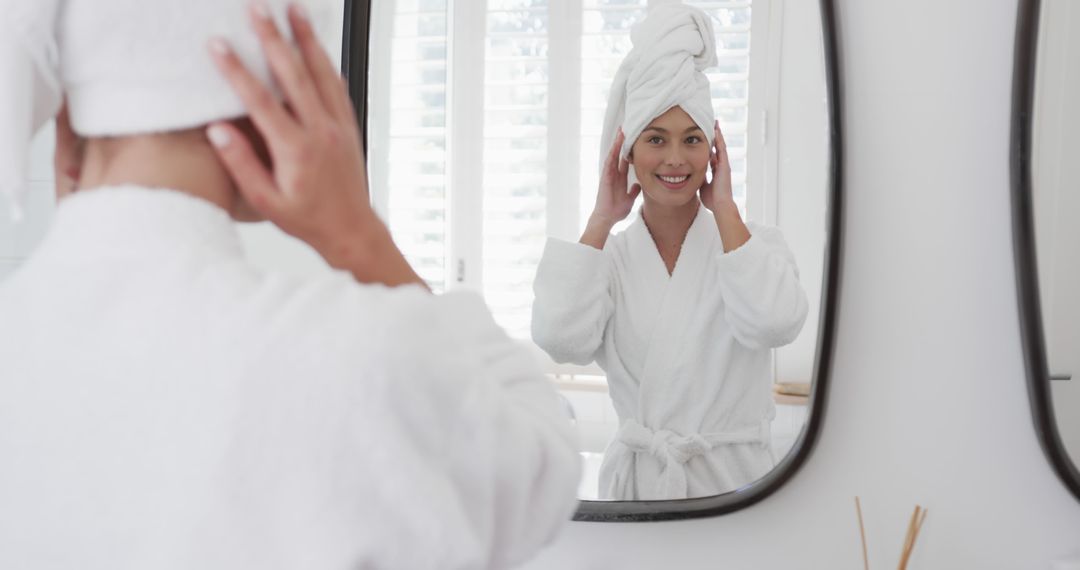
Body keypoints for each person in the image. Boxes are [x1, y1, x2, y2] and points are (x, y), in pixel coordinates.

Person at [0, 1, 580, 568]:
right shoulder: (356, 352)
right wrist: (357, 233)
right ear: (278, 104)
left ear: (71, 115)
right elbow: (541, 476)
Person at [531, 4, 808, 501]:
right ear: (629, 152)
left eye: (692, 139)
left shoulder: (755, 246)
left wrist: (724, 208)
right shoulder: (607, 260)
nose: (676, 158)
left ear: (713, 152)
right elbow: (559, 341)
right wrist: (600, 219)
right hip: (639, 494)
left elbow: (775, 324)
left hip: (735, 495)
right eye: (656, 139)